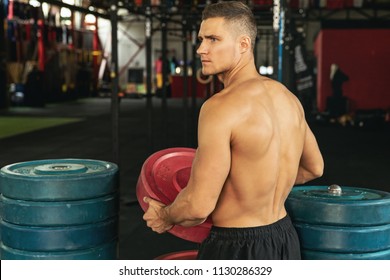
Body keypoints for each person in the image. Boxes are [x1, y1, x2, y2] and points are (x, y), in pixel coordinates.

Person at [143, 1, 324, 260]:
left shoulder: (219, 107)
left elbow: (197, 206)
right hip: (284, 238)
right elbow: (313, 168)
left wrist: (165, 216)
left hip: (237, 247)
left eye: (213, 39)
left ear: (243, 44)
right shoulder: (287, 98)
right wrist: (255, 183)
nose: (201, 49)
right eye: (201, 39)